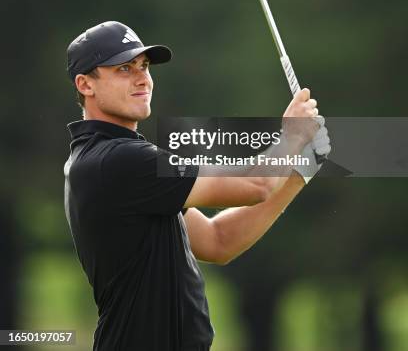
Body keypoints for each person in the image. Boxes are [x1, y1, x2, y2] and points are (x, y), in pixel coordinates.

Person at [64, 21, 330, 351]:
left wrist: (298, 173)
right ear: (85, 84)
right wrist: (291, 136)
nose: (142, 78)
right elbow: (257, 183)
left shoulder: (121, 164)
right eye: (123, 68)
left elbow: (219, 241)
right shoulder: (117, 161)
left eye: (144, 66)